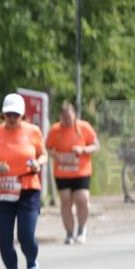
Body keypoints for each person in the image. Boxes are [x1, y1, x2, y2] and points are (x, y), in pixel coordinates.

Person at [0, 93, 48, 269]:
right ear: (3, 114)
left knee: (26, 236)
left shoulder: (33, 131)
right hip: (5, 190)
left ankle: (31, 264)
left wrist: (38, 163)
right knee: (5, 239)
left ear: (22, 115)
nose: (12, 118)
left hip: (29, 187)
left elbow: (43, 154)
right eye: (8, 114)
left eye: (16, 114)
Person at [46, 101, 99, 245]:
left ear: (74, 115)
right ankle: (69, 233)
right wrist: (54, 155)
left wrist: (83, 150)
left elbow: (96, 145)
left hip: (81, 170)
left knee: (82, 198)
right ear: (60, 117)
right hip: (62, 172)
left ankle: (82, 229)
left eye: (70, 118)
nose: (68, 121)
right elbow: (48, 148)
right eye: (65, 119)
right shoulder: (55, 130)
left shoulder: (84, 127)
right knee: (65, 201)